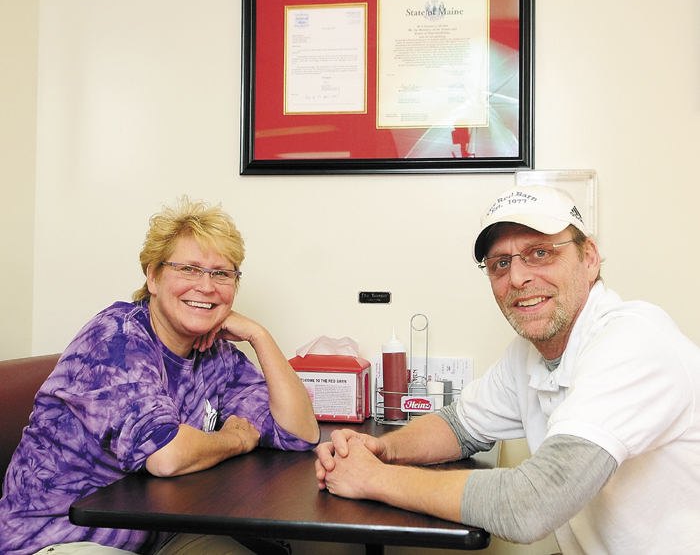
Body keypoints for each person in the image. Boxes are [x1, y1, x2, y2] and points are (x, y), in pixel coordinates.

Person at [315, 184, 700, 554]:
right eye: (501, 263)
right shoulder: (528, 353)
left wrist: (373, 478)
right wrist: (382, 448)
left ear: (589, 258)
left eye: (540, 253)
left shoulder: (633, 341)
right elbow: (459, 426)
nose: (517, 278)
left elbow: (531, 505)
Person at [0, 197, 319, 555]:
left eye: (222, 273)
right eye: (188, 269)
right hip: (61, 538)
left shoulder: (215, 355)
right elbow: (166, 455)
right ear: (153, 276)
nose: (207, 286)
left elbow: (299, 433)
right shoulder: (115, 340)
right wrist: (235, 439)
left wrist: (260, 336)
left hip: (156, 528)